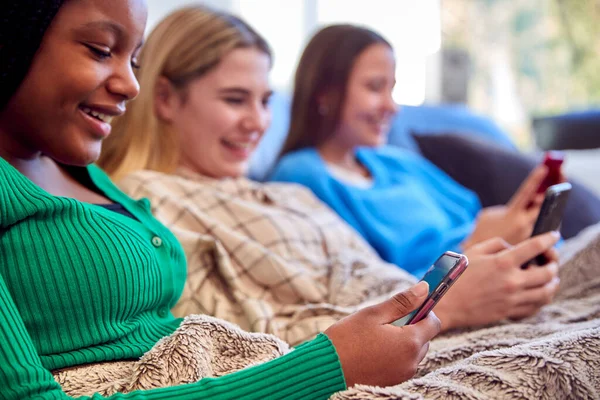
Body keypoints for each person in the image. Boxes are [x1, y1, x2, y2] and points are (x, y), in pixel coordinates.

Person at [0, 1, 442, 398]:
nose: (132, 85)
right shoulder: (147, 187)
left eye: (135, 60)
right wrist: (328, 366)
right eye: (100, 50)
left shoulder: (82, 172)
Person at [98, 5, 560, 339]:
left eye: (264, 102)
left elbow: (380, 277)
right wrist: (449, 305)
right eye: (235, 100)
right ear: (164, 99)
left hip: (432, 310)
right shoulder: (149, 204)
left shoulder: (279, 195)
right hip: (419, 329)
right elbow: (245, 341)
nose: (258, 123)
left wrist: (472, 282)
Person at [269, 24, 559, 277]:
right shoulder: (301, 176)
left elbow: (473, 218)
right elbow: (366, 287)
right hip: (454, 289)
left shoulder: (395, 161)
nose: (392, 107)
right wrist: (470, 249)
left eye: (392, 89)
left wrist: (515, 224)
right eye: (374, 87)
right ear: (325, 93)